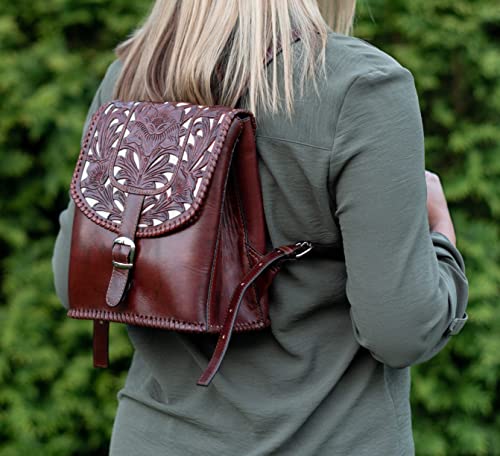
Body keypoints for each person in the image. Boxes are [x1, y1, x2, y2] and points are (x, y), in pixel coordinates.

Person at [52, 1, 469, 454]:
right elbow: (401, 330)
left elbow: (71, 277)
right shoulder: (359, 85)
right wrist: (441, 238)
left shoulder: (129, 76)